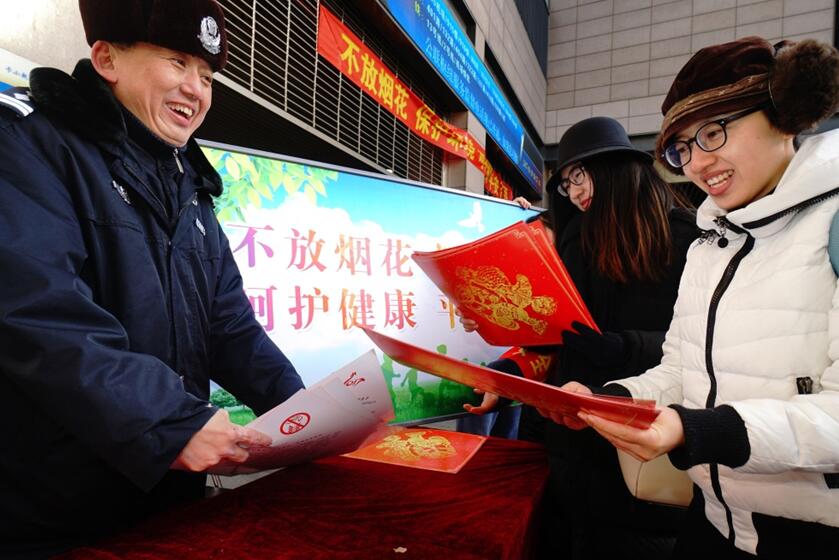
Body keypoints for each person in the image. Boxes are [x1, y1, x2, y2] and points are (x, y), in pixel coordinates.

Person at [0, 1, 304, 556]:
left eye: (207, 76)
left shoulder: (189, 185)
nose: (196, 90)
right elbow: (38, 313)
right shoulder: (27, 145)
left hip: (167, 501)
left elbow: (230, 327)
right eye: (176, 62)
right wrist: (169, 422)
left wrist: (308, 417)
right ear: (106, 59)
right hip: (51, 511)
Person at [552, 37, 839, 558]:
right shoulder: (711, 244)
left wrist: (695, 430)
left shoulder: (830, 226)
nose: (698, 162)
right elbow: (682, 369)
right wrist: (612, 398)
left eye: (713, 132)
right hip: (712, 518)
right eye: (682, 147)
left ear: (784, 114)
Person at [462, 116, 698, 558]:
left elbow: (701, 343)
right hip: (568, 432)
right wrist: (507, 352)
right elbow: (555, 333)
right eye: (566, 182)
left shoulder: (683, 236)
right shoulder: (575, 240)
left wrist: (627, 346)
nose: (573, 191)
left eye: (579, 175)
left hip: (639, 439)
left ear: (615, 168)